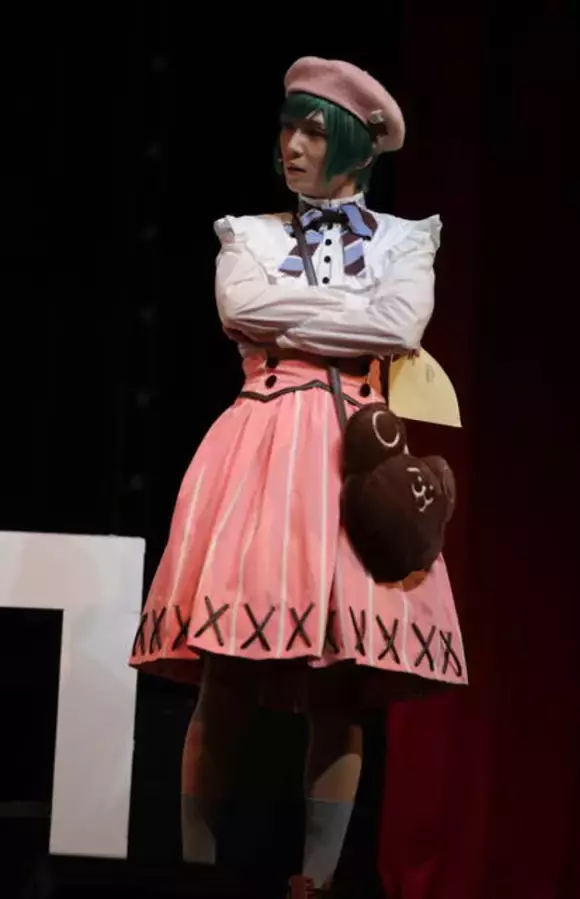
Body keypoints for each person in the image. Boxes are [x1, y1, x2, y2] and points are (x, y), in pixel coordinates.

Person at [129, 56, 468, 895]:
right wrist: (349, 317)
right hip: (260, 451)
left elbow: (399, 324)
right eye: (288, 127)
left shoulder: (405, 239)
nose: (293, 145)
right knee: (226, 671)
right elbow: (242, 309)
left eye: (314, 132)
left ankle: (313, 881)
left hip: (355, 461)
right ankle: (197, 873)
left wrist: (307, 322)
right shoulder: (249, 234)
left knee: (340, 685)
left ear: (356, 145)